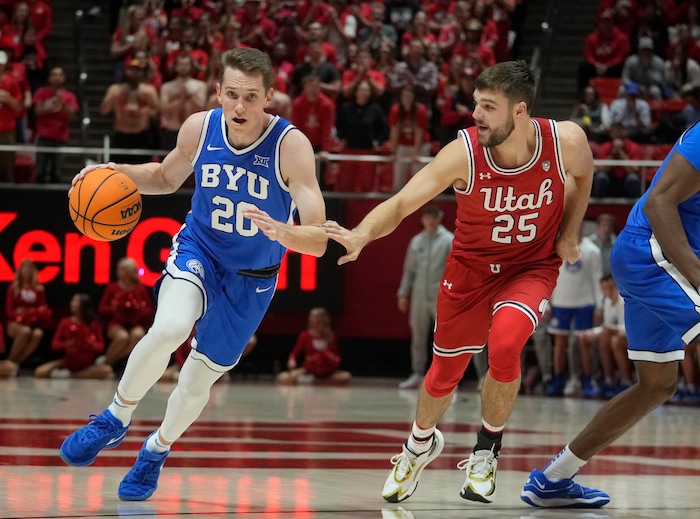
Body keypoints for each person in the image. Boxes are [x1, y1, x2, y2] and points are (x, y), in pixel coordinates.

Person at [58, 47, 327, 502]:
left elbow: (318, 239)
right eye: (230, 94)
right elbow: (164, 178)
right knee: (170, 326)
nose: (238, 107)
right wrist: (113, 171)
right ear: (218, 90)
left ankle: (155, 451)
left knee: (197, 380)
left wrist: (285, 232)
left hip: (253, 275)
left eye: (250, 97)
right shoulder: (200, 128)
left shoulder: (291, 146)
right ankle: (114, 417)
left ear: (269, 98)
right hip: (199, 249)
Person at [323, 60, 593, 504]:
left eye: (488, 106)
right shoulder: (463, 152)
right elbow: (403, 202)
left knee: (506, 344)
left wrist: (568, 232)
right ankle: (418, 445)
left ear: (520, 111)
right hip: (470, 273)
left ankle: (487, 450)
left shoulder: (565, 141)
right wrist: (361, 234)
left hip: (531, 267)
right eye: (476, 104)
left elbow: (584, 177)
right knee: (443, 375)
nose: (476, 115)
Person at [520, 120, 700, 509]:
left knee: (657, 385)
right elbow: (658, 202)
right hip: (652, 255)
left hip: (655, 261)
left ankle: (552, 479)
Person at [396, 205, 454, 389]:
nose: (431, 220)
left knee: (444, 339)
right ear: (422, 219)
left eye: (434, 217)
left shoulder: (449, 241)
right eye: (427, 217)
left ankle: (445, 378)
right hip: (420, 295)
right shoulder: (416, 242)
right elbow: (409, 270)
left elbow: (454, 271)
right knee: (418, 336)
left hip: (441, 296)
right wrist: (403, 293)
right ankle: (418, 373)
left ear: (440, 218)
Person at [545, 231, 603, 398]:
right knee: (559, 345)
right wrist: (547, 302)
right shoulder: (557, 247)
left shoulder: (592, 251)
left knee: (584, 344)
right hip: (560, 303)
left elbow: (596, 278)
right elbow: (549, 274)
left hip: (584, 303)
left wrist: (598, 306)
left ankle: (588, 380)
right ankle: (558, 381)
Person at [34, 293, 113, 380]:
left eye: (75, 301)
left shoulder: (93, 325)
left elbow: (100, 346)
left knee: (107, 370)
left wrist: (90, 344)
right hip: (67, 362)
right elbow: (55, 344)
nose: (72, 304)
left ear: (83, 305)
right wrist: (67, 344)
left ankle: (72, 376)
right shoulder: (65, 322)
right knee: (40, 372)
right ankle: (73, 374)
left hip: (87, 364)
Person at [99, 57, 160, 164]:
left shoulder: (149, 90)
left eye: (138, 70)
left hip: (141, 136)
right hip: (121, 135)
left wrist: (147, 112)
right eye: (132, 70)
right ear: (126, 71)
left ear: (142, 72)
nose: (135, 73)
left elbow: (158, 113)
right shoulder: (115, 89)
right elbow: (103, 111)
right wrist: (112, 98)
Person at [98, 257, 154, 370]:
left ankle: (116, 361)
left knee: (138, 335)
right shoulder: (112, 287)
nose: (118, 272)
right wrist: (115, 308)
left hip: (135, 322)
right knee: (122, 337)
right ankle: (106, 362)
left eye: (121, 269)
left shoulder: (140, 289)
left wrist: (138, 309)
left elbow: (149, 310)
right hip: (116, 322)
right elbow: (102, 308)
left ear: (129, 272)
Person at [276, 307, 351, 385]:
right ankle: (316, 382)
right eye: (310, 316)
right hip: (309, 368)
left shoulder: (331, 336)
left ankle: (313, 382)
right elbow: (294, 353)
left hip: (326, 370)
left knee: (346, 376)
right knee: (282, 378)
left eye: (314, 317)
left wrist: (326, 358)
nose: (310, 319)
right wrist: (292, 360)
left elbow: (336, 356)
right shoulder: (305, 335)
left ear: (322, 319)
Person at [4, 258, 52, 376]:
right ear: (20, 271)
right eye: (24, 268)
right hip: (15, 323)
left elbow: (42, 311)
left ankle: (16, 364)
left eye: (29, 268)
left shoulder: (39, 289)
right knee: (25, 331)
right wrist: (24, 314)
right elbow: (9, 312)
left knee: (37, 334)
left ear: (33, 271)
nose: (26, 270)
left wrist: (28, 312)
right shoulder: (14, 288)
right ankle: (9, 361)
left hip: (33, 323)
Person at [32, 66, 79, 183]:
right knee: (40, 171)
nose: (57, 78)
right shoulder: (41, 92)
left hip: (60, 138)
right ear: (49, 77)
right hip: (43, 136)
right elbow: (37, 111)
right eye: (54, 75)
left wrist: (62, 104)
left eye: (60, 75)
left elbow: (72, 114)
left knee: (57, 172)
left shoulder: (69, 96)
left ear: (64, 78)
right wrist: (51, 107)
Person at [159, 53, 207, 152]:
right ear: (175, 67)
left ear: (191, 67)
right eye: (180, 64)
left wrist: (190, 98)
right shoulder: (167, 87)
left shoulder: (200, 86)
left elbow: (203, 108)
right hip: (172, 130)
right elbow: (163, 109)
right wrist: (181, 99)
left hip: (193, 130)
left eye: (186, 64)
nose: (183, 67)